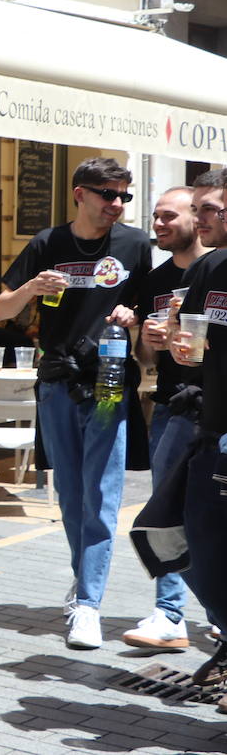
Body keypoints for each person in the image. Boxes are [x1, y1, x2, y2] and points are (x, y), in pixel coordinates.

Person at [0, 157, 151, 650]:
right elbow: (1, 310)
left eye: (124, 195)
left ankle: (89, 605)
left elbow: (151, 308)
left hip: (107, 381)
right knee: (70, 495)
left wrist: (135, 317)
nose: (118, 204)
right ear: (80, 194)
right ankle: (84, 581)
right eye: (109, 194)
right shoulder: (48, 244)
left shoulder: (135, 244)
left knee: (101, 494)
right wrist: (31, 288)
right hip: (58, 381)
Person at [125, 185, 210, 650]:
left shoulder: (214, 271)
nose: (158, 224)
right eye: (155, 216)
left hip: (212, 409)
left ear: (195, 219)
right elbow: (145, 355)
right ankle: (171, 612)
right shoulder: (155, 279)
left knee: (208, 515)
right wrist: (148, 340)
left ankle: (214, 612)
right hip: (170, 404)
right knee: (167, 513)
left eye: (168, 216)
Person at [163, 171, 227, 691]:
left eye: (209, 209)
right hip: (212, 428)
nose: (199, 218)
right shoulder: (209, 266)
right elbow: (190, 344)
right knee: (192, 544)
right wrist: (171, 342)